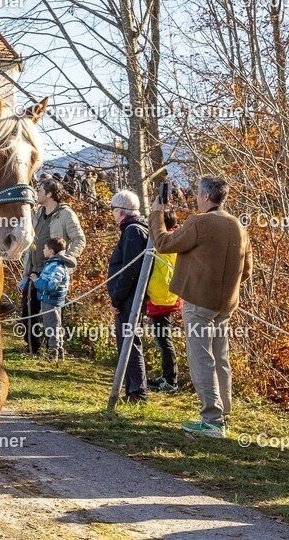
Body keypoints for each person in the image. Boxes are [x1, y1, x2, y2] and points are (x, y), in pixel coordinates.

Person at [150, 176, 252, 437]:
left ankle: (212, 420)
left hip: (198, 303)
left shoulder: (199, 222)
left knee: (201, 359)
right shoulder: (239, 227)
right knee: (220, 359)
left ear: (206, 197)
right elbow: (247, 271)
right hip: (226, 304)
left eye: (197, 193)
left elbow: (164, 243)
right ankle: (223, 415)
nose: (196, 197)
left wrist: (156, 214)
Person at [21, 178, 86, 354]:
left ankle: (54, 348)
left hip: (51, 272)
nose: (37, 193)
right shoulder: (37, 212)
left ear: (49, 194)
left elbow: (79, 239)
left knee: (51, 313)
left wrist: (65, 260)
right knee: (28, 309)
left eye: (40, 190)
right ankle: (32, 346)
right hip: (33, 269)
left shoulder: (65, 214)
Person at [108, 190, 150, 404]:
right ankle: (130, 389)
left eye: (113, 209)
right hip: (129, 296)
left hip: (129, 297)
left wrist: (116, 298)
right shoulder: (132, 230)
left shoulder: (133, 231)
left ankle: (137, 392)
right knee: (126, 341)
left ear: (121, 210)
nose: (112, 213)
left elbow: (129, 270)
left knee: (130, 342)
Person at [145, 210, 181, 393]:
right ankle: (168, 376)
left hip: (161, 297)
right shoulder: (177, 237)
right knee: (162, 338)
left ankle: (171, 380)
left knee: (164, 339)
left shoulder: (163, 241)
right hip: (166, 295)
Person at [32, 236, 75, 361]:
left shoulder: (56, 266)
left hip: (51, 301)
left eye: (45, 248)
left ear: (51, 251)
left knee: (51, 327)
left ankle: (53, 353)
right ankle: (60, 351)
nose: (43, 250)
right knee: (56, 325)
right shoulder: (52, 264)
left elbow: (50, 286)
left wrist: (37, 281)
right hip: (50, 300)